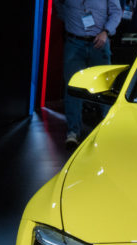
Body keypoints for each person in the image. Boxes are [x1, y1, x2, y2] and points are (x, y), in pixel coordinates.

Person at [55, 0, 122, 149]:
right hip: (74, 42)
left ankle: (106, 130)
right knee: (73, 88)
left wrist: (106, 32)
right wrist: (71, 21)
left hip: (99, 43)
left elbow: (116, 11)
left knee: (104, 89)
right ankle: (73, 132)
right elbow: (59, 5)